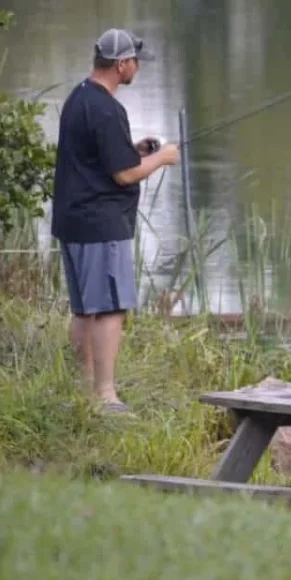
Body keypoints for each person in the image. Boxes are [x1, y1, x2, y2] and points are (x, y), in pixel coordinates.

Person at [51, 28, 180, 413]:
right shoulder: (109, 109)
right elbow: (123, 175)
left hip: (73, 221)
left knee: (83, 309)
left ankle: (85, 389)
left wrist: (135, 150)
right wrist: (162, 158)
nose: (137, 68)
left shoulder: (79, 97)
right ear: (121, 64)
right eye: (134, 62)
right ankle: (106, 396)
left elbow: (97, 157)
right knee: (109, 308)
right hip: (101, 224)